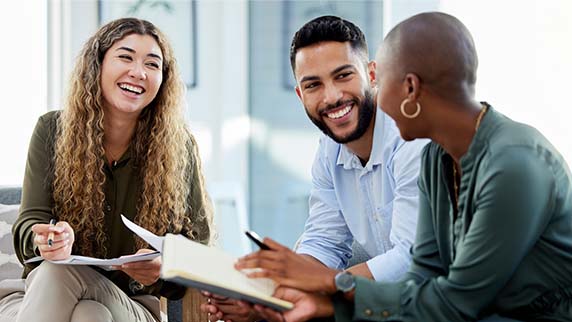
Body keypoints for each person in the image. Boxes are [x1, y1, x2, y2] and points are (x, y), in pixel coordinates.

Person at [236, 11, 572, 322]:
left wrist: (330, 286)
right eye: (313, 84)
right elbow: (423, 275)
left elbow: (456, 300)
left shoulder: (514, 163)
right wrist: (306, 296)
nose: (377, 97)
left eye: (384, 80)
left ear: (407, 87)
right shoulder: (436, 160)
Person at [202, 15, 427, 322]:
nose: (331, 97)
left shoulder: (411, 137)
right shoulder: (328, 151)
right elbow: (324, 241)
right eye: (313, 85)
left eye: (343, 76)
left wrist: (315, 288)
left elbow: (410, 258)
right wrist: (265, 295)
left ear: (372, 74)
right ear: (300, 94)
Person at [0, 18, 212, 322]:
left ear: (163, 79)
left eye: (152, 64)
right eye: (125, 57)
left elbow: (197, 249)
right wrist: (46, 239)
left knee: (62, 279)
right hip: (44, 293)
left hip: (132, 305)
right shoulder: (52, 131)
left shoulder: (180, 148)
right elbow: (31, 220)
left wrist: (161, 270)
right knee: (90, 314)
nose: (138, 72)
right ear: (97, 65)